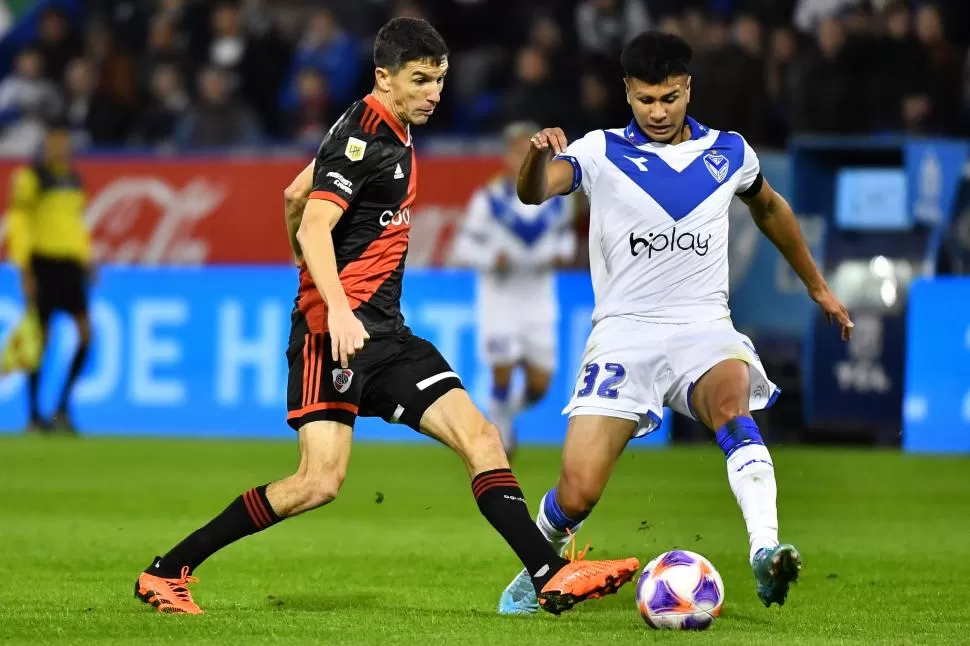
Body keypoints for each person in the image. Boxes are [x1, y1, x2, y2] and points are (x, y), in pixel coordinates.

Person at [134, 17, 639, 616]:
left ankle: (548, 575)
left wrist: (310, 272)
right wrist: (336, 308)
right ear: (384, 77)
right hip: (338, 337)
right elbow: (315, 221)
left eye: (440, 80)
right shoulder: (366, 140)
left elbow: (295, 196)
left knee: (468, 439)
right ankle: (168, 572)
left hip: (381, 333)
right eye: (420, 80)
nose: (433, 93)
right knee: (320, 481)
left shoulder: (381, 127)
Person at [497, 31, 854, 615]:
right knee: (579, 491)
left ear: (688, 88)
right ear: (627, 94)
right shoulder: (599, 152)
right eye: (645, 100)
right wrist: (537, 156)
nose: (658, 112)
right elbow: (536, 192)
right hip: (623, 331)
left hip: (702, 327)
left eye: (669, 98)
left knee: (734, 408)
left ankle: (766, 551)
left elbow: (768, 207)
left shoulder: (730, 153)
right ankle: (539, 562)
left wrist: (818, 286)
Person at [450, 121, 577, 458]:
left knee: (539, 386)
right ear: (506, 156)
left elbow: (566, 241)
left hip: (538, 298)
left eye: (528, 149)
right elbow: (463, 248)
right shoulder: (488, 200)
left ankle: (502, 414)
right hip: (500, 297)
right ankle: (501, 438)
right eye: (516, 149)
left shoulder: (557, 200)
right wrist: (494, 258)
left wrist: (561, 253)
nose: (521, 155)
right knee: (502, 366)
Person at [4, 121, 93, 434]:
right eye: (55, 141)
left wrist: (86, 259)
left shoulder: (73, 179)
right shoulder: (30, 178)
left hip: (69, 265)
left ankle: (62, 408)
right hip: (42, 263)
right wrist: (24, 267)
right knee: (40, 339)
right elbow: (19, 222)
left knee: (85, 334)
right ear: (46, 144)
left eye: (65, 142)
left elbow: (75, 224)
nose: (61, 147)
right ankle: (32, 416)